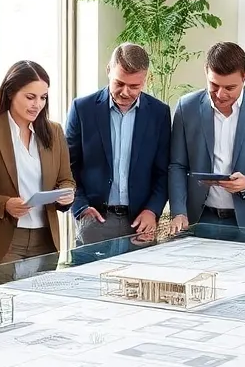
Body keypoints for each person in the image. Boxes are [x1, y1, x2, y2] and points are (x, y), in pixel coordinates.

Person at [0, 60, 76, 276]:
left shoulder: (54, 131)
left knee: (41, 307)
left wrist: (67, 194)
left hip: (46, 239)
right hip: (4, 242)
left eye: (43, 98)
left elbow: (66, 179)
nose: (37, 105)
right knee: (5, 306)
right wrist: (5, 205)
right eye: (30, 97)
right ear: (11, 92)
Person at [168, 42, 245, 232]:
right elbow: (177, 165)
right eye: (214, 85)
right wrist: (178, 212)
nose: (221, 95)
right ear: (206, 71)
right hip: (199, 220)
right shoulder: (186, 107)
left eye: (230, 87)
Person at [65, 43, 171, 245]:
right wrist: (80, 206)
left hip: (140, 222)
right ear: (108, 71)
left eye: (134, 86)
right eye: (119, 83)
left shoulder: (159, 113)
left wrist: (152, 210)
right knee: (88, 277)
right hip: (93, 219)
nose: (125, 92)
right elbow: (68, 167)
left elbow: (163, 171)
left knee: (137, 277)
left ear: (145, 79)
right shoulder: (82, 109)